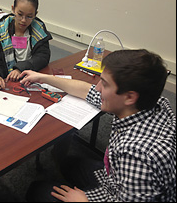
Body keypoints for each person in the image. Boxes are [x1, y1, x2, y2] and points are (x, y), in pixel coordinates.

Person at [20, 49, 176, 202]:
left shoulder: (138, 157)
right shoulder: (155, 104)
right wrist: (42, 77)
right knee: (69, 164)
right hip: (115, 180)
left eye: (105, 84)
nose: (98, 88)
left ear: (130, 96)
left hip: (117, 195)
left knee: (38, 191)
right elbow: (87, 91)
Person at [0, 0, 52, 90]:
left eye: (29, 16)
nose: (24, 20)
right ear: (13, 9)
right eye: (20, 14)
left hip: (31, 78)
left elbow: (42, 57)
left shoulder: (39, 30)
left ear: (35, 14)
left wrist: (21, 68)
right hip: (7, 80)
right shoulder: (0, 30)